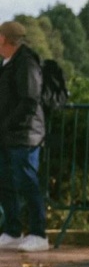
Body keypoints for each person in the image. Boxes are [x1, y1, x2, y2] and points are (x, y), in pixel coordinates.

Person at [0, 20, 50, 252]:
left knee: (27, 182)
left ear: (4, 39)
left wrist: (6, 124)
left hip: (25, 134)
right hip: (9, 134)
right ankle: (12, 231)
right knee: (6, 181)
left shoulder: (26, 62)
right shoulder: (8, 62)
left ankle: (39, 234)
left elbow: (29, 100)